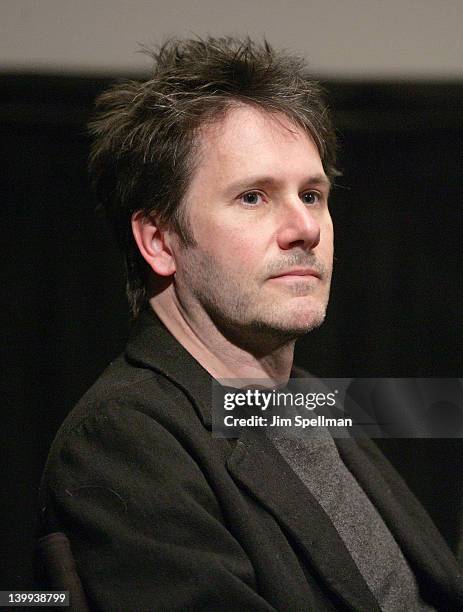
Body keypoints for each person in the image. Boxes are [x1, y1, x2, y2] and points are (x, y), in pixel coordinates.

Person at [38, 37, 463, 610]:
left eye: (312, 195)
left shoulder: (305, 400)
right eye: (253, 198)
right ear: (160, 241)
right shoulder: (122, 439)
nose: (304, 228)